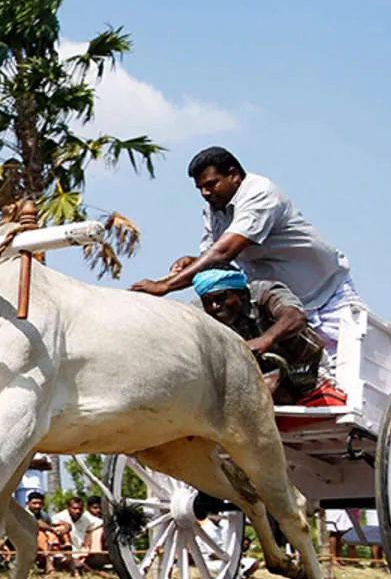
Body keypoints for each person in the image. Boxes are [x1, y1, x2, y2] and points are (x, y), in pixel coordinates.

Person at [130, 146, 364, 365]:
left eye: (211, 184)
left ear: (233, 175)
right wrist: (193, 261)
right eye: (200, 188)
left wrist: (165, 287)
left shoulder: (259, 193)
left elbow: (223, 252)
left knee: (351, 375)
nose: (205, 192)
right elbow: (212, 258)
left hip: (327, 297)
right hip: (278, 305)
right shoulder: (214, 208)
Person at [193, 265, 327, 405]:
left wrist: (265, 340)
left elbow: (295, 317)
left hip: (306, 369)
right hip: (253, 379)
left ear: (241, 293)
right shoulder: (198, 313)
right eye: (207, 301)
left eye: (221, 297)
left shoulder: (263, 291)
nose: (215, 306)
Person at [51, 495, 105, 574]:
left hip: (82, 552)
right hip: (65, 553)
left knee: (99, 530)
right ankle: (98, 573)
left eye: (80, 509)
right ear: (68, 508)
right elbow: (52, 527)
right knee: (61, 529)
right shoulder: (59, 517)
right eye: (74, 508)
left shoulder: (85, 518)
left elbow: (101, 524)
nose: (77, 511)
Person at [26, 489, 69, 573]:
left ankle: (67, 557)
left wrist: (66, 526)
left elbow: (55, 523)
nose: (37, 506)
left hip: (43, 543)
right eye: (34, 503)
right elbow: (36, 523)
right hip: (24, 542)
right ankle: (48, 562)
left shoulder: (44, 514)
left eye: (40, 503)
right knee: (40, 533)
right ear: (28, 504)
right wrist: (52, 529)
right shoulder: (23, 513)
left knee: (60, 529)